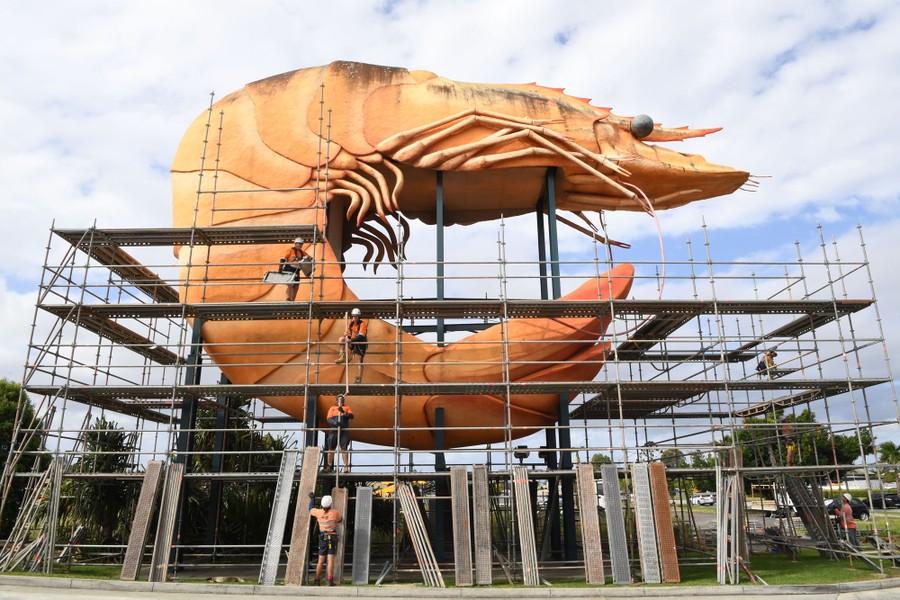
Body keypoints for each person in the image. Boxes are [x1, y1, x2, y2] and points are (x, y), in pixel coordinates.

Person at [308, 492, 342, 586]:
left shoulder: (318, 512)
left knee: (320, 560)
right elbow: (340, 519)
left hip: (323, 538)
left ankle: (317, 580)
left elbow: (310, 509)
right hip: (332, 538)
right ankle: (330, 580)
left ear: (322, 505)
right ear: (330, 504)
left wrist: (312, 499)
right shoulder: (334, 513)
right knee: (330, 560)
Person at [323, 394, 354, 473]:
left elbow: (351, 416)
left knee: (344, 448)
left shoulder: (347, 408)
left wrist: (343, 412)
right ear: (336, 400)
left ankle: (345, 466)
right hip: (334, 430)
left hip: (344, 430)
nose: (340, 401)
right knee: (331, 449)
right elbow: (329, 419)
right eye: (339, 399)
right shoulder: (332, 408)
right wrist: (335, 423)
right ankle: (329, 466)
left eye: (342, 399)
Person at [336, 308, 368, 383]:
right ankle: (342, 356)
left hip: (360, 343)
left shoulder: (362, 324)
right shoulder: (351, 324)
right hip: (353, 342)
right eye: (353, 316)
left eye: (356, 316)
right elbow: (349, 335)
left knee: (359, 360)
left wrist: (350, 340)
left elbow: (361, 336)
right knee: (341, 339)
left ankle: (359, 378)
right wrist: (347, 336)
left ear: (358, 316)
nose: (354, 318)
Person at [279, 237, 313, 301]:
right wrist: (280, 268)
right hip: (289, 269)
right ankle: (288, 298)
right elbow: (283, 259)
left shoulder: (302, 253)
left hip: (297, 270)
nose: (301, 245)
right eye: (299, 243)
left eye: (301, 244)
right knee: (290, 284)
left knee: (296, 286)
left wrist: (312, 260)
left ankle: (292, 300)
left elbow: (310, 258)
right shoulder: (290, 251)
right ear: (295, 243)